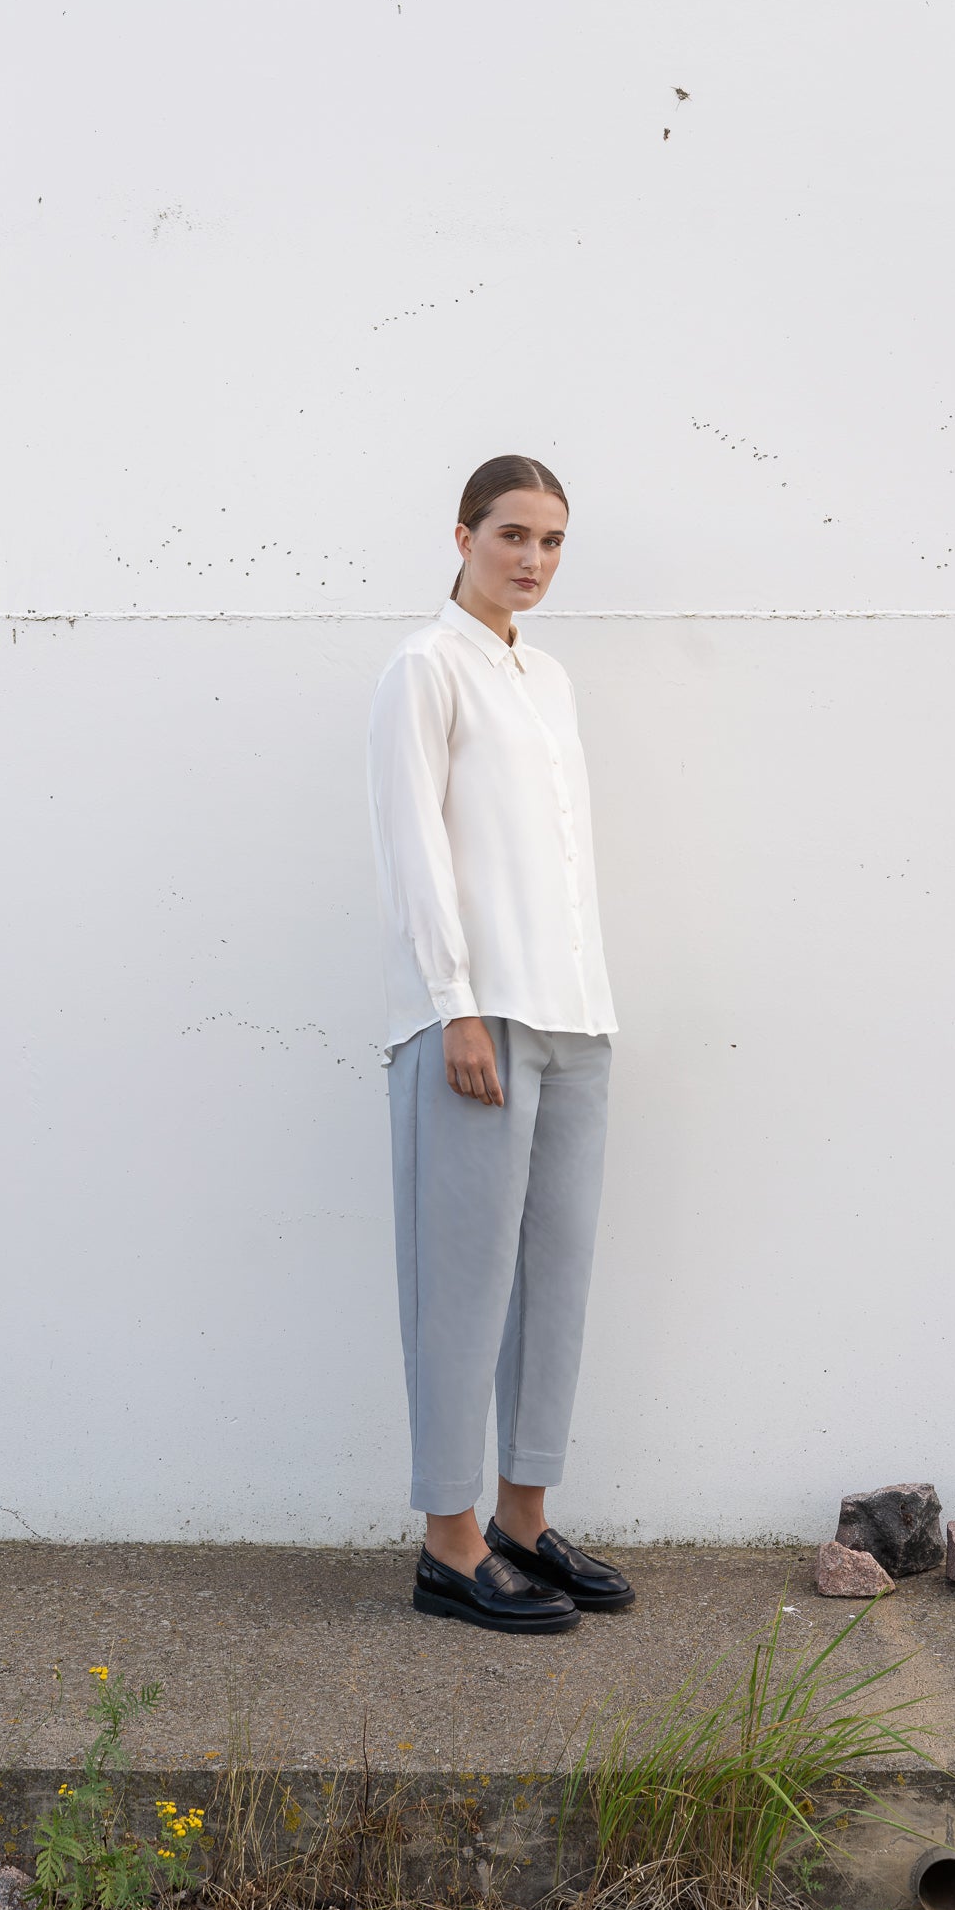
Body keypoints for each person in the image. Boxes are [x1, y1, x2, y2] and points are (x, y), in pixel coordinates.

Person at [365, 454, 635, 1635]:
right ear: (464, 533)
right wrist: (454, 999)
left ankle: (525, 1515)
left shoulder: (551, 677)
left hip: (575, 1012)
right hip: (475, 1017)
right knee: (461, 1286)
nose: (532, 558)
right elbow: (413, 844)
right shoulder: (426, 667)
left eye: (553, 540)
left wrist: (587, 997)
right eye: (513, 533)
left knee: (557, 1281)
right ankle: (449, 1538)